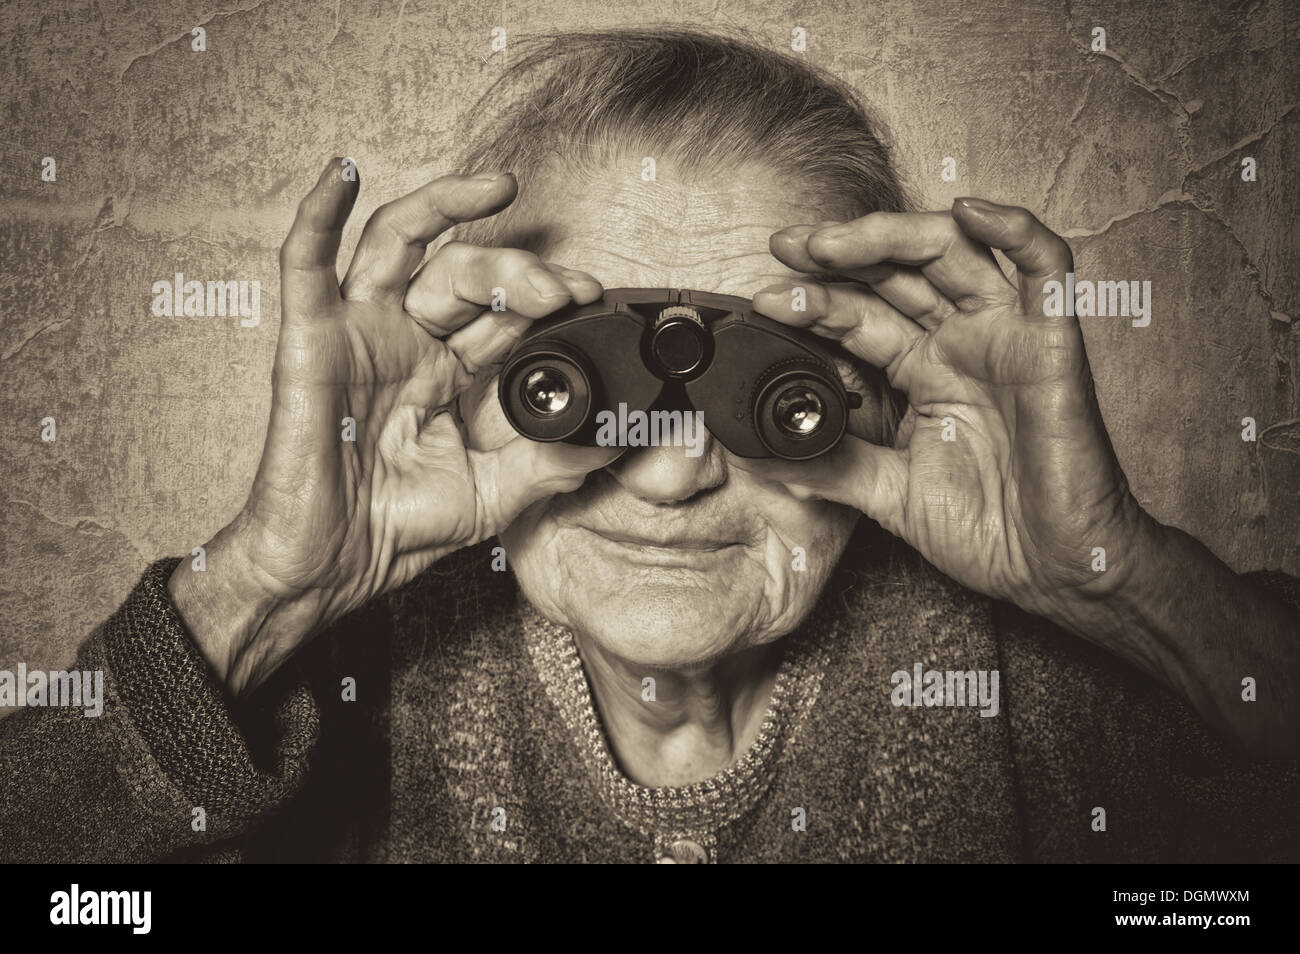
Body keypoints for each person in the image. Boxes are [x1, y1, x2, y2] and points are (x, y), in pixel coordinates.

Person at [2, 28, 1297, 864]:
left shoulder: (1047, 683)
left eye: (770, 388)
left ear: (880, 383)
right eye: (578, 378)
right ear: (468, 380)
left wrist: (1123, 582)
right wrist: (265, 594)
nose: (674, 469)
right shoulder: (355, 691)